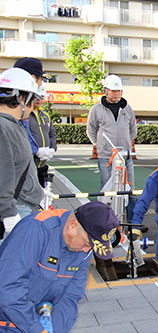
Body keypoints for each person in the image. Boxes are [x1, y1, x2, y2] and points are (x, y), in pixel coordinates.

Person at [0, 201, 119, 333]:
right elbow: (8, 288)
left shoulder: (83, 247)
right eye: (87, 243)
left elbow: (71, 296)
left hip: (36, 320)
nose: (87, 250)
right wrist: (36, 329)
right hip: (8, 320)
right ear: (73, 226)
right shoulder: (35, 229)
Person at [86, 74, 138, 228]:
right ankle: (106, 222)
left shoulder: (127, 108)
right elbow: (91, 130)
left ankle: (131, 222)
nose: (116, 94)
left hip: (125, 156)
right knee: (107, 191)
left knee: (130, 189)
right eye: (113, 91)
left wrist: (127, 144)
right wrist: (99, 145)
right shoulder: (96, 109)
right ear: (105, 90)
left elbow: (133, 130)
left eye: (119, 91)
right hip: (106, 157)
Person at [0, 68, 45, 243]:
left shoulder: (13, 124)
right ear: (21, 98)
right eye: (32, 100)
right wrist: (8, 214)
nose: (33, 106)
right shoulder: (3, 127)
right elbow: (3, 174)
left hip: (20, 207)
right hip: (14, 211)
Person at [29, 83, 57, 187]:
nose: (38, 100)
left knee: (43, 195)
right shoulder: (24, 115)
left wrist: (53, 148)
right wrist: (35, 150)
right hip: (29, 165)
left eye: (41, 97)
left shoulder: (45, 114)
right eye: (36, 96)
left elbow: (52, 134)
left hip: (43, 165)